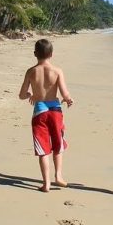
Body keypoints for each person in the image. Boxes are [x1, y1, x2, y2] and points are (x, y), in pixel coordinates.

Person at [18, 38, 74, 192]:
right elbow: (64, 92)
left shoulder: (31, 71)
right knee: (58, 144)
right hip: (55, 110)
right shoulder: (57, 71)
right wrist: (68, 99)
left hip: (40, 111)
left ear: (35, 53)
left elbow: (21, 95)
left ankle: (46, 183)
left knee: (43, 148)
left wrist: (30, 94)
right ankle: (59, 176)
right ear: (52, 54)